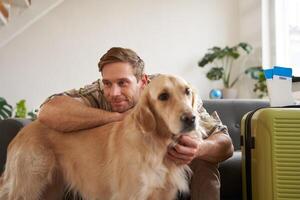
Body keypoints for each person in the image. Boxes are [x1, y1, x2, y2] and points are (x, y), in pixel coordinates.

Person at [38, 47, 234, 200]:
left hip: (173, 165)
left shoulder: (178, 90)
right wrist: (118, 117)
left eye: (123, 83)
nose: (113, 92)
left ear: (143, 82)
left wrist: (199, 148)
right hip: (118, 170)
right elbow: (48, 111)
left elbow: (225, 144)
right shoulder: (100, 91)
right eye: (107, 83)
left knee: (204, 159)